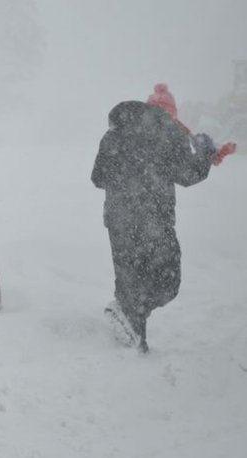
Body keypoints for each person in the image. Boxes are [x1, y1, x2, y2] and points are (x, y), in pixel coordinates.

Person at [91, 85, 236, 353]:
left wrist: (128, 170)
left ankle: (132, 335)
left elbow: (98, 177)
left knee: (130, 284)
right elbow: (189, 175)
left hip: (119, 222)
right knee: (167, 283)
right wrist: (204, 154)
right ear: (170, 113)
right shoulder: (169, 132)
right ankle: (129, 324)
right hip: (154, 223)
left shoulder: (114, 134)